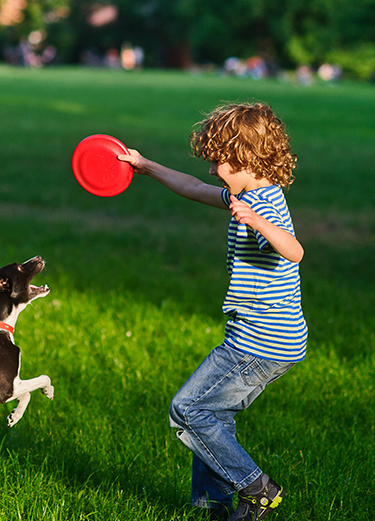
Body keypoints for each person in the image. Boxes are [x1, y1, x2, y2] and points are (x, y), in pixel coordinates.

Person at [118, 102, 306, 521]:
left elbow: (294, 252)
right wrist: (146, 166)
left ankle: (257, 488)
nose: (211, 170)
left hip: (258, 344)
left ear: (246, 160)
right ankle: (216, 506)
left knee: (188, 409)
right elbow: (193, 188)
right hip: (275, 340)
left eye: (218, 162)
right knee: (215, 414)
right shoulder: (250, 193)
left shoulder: (264, 208)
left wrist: (258, 224)